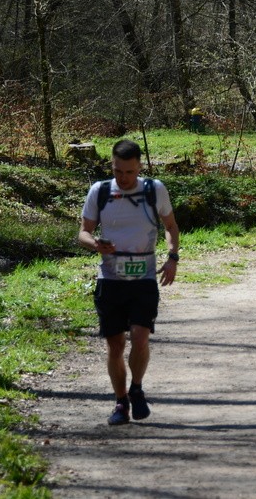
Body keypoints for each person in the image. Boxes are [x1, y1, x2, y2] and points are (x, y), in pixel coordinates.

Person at [78, 139, 180, 425]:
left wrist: (172, 257)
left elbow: (170, 225)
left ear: (139, 168)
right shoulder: (99, 191)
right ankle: (121, 402)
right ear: (112, 165)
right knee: (114, 346)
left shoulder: (153, 190)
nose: (123, 178)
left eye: (130, 172)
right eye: (118, 171)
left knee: (139, 337)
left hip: (143, 279)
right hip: (110, 280)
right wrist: (95, 243)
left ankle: (136, 388)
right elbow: (83, 232)